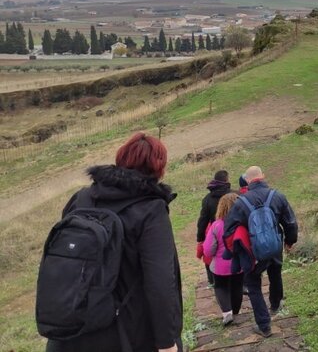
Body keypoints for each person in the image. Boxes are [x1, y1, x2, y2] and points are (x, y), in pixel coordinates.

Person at [46, 132, 182, 352]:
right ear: (159, 168)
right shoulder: (151, 210)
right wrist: (167, 342)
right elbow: (160, 281)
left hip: (72, 328)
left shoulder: (80, 199)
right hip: (125, 332)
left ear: (120, 159)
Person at [224, 166, 298, 338]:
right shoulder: (277, 196)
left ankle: (264, 326)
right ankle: (275, 304)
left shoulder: (241, 202)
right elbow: (290, 222)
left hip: (253, 252)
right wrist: (289, 241)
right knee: (275, 273)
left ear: (248, 181)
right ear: (263, 176)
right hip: (275, 246)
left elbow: (228, 230)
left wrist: (238, 250)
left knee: (253, 285)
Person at [204, 193, 243, 326]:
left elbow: (208, 249)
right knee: (237, 287)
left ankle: (227, 313)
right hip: (239, 263)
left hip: (220, 266)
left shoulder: (216, 225)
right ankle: (236, 312)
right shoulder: (242, 223)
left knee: (220, 287)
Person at [197, 170, 232, 286]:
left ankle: (213, 280)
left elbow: (203, 220)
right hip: (233, 230)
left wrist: (200, 238)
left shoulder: (207, 199)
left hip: (215, 232)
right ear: (226, 180)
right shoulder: (233, 195)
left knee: (211, 255)